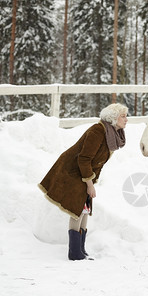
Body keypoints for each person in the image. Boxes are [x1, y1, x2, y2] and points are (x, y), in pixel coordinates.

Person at [38, 103, 128, 260]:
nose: (126, 119)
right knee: (77, 209)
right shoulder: (98, 131)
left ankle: (80, 249)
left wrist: (91, 180)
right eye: (123, 116)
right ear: (113, 118)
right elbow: (84, 159)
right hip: (72, 172)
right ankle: (74, 252)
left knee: (84, 208)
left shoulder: (110, 133)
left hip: (83, 173)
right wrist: (90, 184)